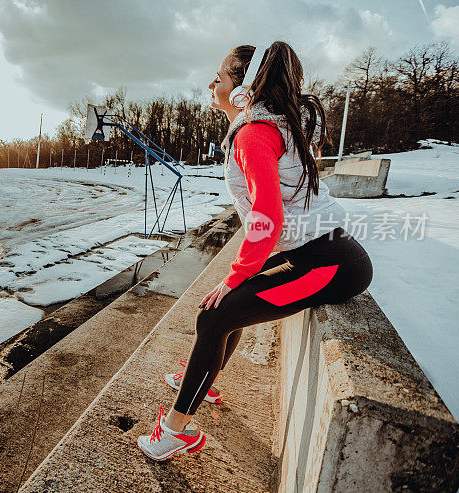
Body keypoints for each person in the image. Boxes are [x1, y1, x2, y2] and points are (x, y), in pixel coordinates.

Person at [137, 41, 373, 461]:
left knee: (215, 314)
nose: (212, 83)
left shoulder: (255, 134)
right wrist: (240, 274)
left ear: (243, 88)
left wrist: (237, 273)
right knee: (228, 303)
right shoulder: (259, 127)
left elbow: (267, 217)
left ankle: (175, 431)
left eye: (220, 77)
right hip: (317, 249)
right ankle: (203, 383)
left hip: (329, 264)